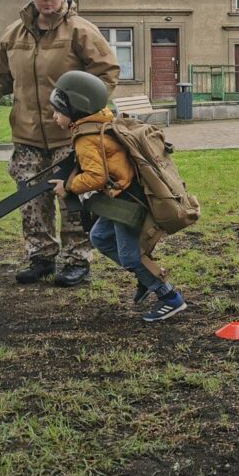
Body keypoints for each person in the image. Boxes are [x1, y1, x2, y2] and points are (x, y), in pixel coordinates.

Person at [0, 0, 119, 286]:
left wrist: (80, 112)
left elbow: (106, 74)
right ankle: (41, 257)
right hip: (28, 136)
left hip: (71, 136)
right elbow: (0, 78)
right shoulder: (13, 35)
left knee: (72, 198)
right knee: (32, 199)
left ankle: (77, 260)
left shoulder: (81, 32)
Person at [47, 71, 187, 322]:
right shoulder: (100, 123)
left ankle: (170, 298)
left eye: (57, 110)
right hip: (121, 198)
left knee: (130, 256)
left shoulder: (87, 138)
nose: (54, 116)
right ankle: (146, 278)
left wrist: (67, 187)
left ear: (76, 109)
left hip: (127, 203)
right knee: (99, 237)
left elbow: (96, 178)